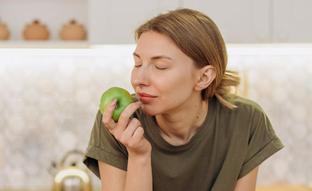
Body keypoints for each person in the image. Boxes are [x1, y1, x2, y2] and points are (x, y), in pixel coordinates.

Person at [83, 8, 284, 191]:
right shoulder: (119, 124)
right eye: (137, 63)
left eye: (160, 66)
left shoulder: (245, 121)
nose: (138, 80)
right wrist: (139, 156)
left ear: (204, 77)